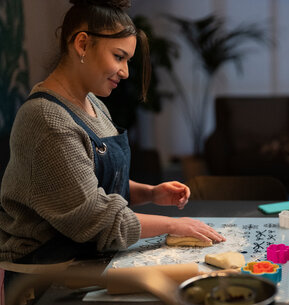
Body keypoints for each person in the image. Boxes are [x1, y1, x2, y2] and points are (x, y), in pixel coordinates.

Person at [0, 0, 225, 267]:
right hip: (48, 273)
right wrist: (173, 225)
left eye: (127, 61)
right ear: (82, 44)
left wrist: (151, 193)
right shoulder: (47, 119)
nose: (126, 72)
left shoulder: (93, 104)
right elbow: (93, 216)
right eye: (119, 57)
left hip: (90, 257)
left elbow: (91, 185)